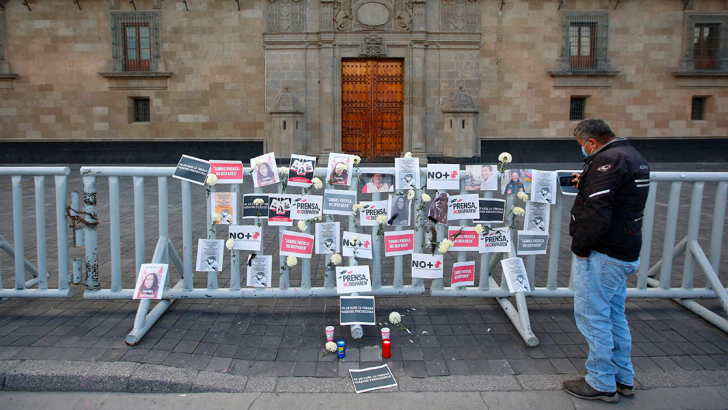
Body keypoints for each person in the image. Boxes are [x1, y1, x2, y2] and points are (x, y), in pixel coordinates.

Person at [563, 118, 650, 403]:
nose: (583, 152)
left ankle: (601, 381)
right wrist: (586, 181)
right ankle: (623, 378)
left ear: (591, 142)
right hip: (625, 249)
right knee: (614, 316)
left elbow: (598, 211)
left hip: (604, 253)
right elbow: (617, 195)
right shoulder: (631, 156)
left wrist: (581, 247)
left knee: (592, 316)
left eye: (582, 146)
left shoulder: (607, 161)